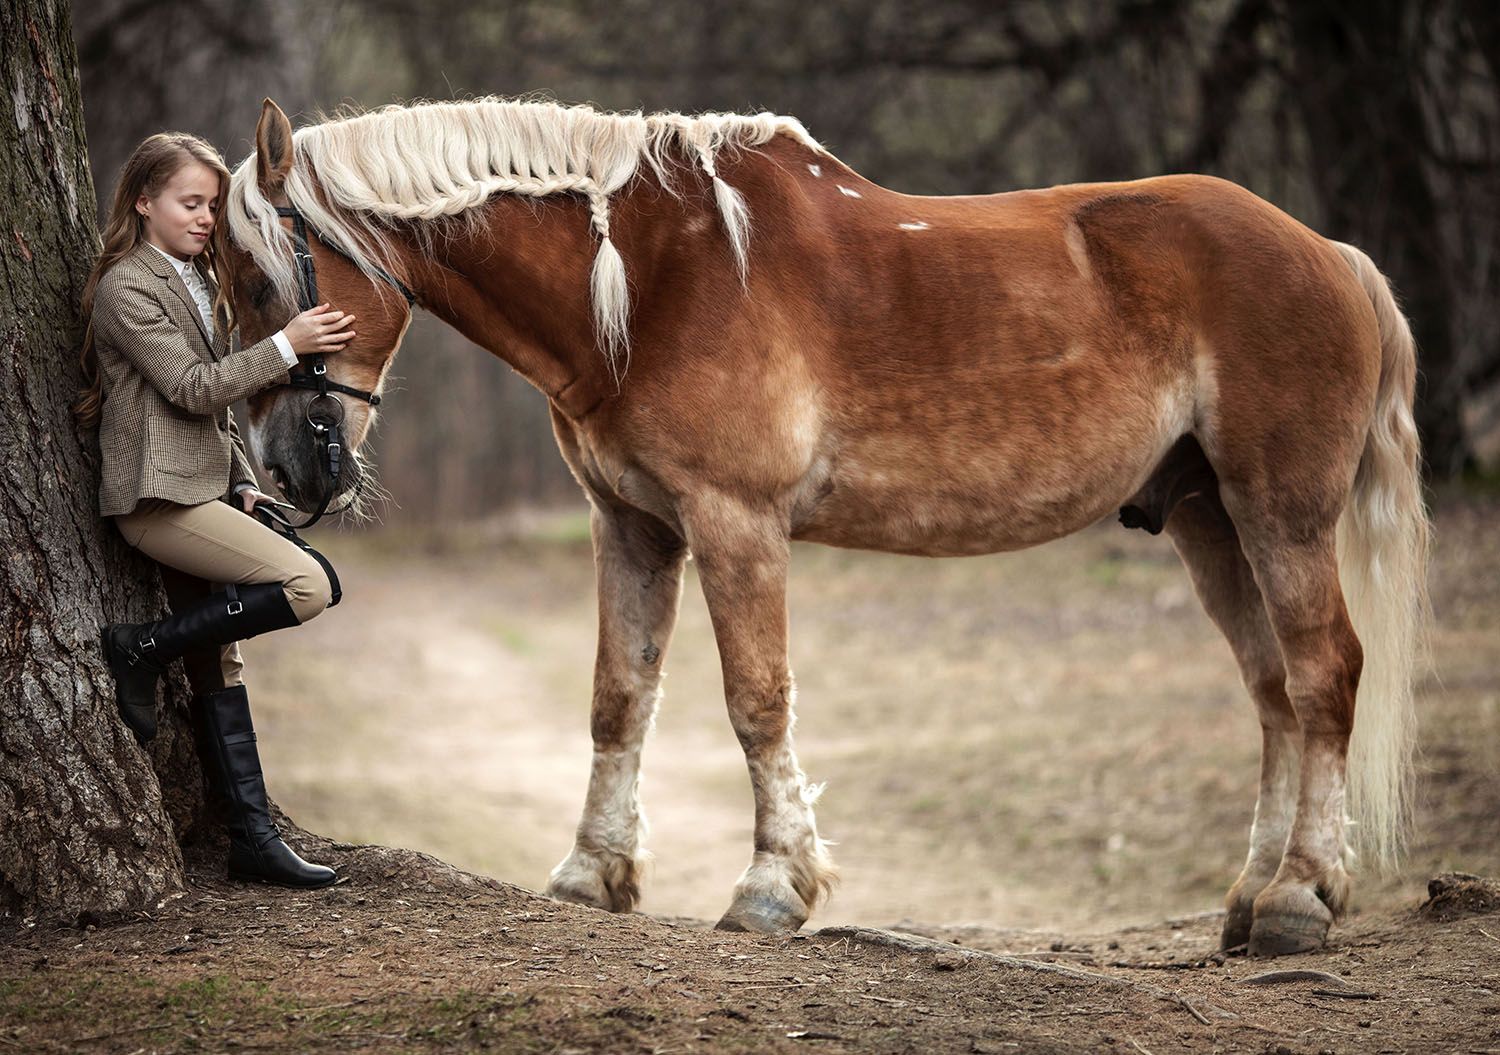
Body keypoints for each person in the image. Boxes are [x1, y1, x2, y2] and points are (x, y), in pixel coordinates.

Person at [74, 132, 356, 889]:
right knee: (309, 584)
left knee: (221, 661)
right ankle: (139, 647)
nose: (205, 219)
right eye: (189, 203)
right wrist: (288, 346)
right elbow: (195, 387)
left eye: (211, 205)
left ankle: (252, 838)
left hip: (204, 490)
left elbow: (218, 418)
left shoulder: (198, 278)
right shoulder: (126, 288)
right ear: (144, 201)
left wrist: (241, 478)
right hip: (156, 498)